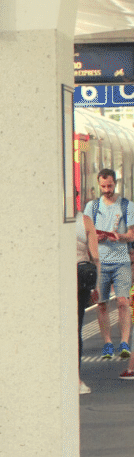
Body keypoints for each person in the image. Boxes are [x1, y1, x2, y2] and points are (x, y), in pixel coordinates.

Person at [87, 168, 133, 360]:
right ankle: (107, 343)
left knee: (123, 301)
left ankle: (124, 342)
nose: (106, 189)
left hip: (121, 261)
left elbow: (131, 235)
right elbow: (85, 234)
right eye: (103, 186)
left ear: (116, 183)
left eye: (110, 186)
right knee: (102, 304)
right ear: (99, 185)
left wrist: (118, 236)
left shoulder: (127, 206)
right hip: (100, 263)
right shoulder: (93, 207)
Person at [75, 208, 100, 393]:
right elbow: (95, 256)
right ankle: (75, 379)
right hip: (79, 280)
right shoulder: (85, 221)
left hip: (56, 280)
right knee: (75, 329)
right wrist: (96, 287)